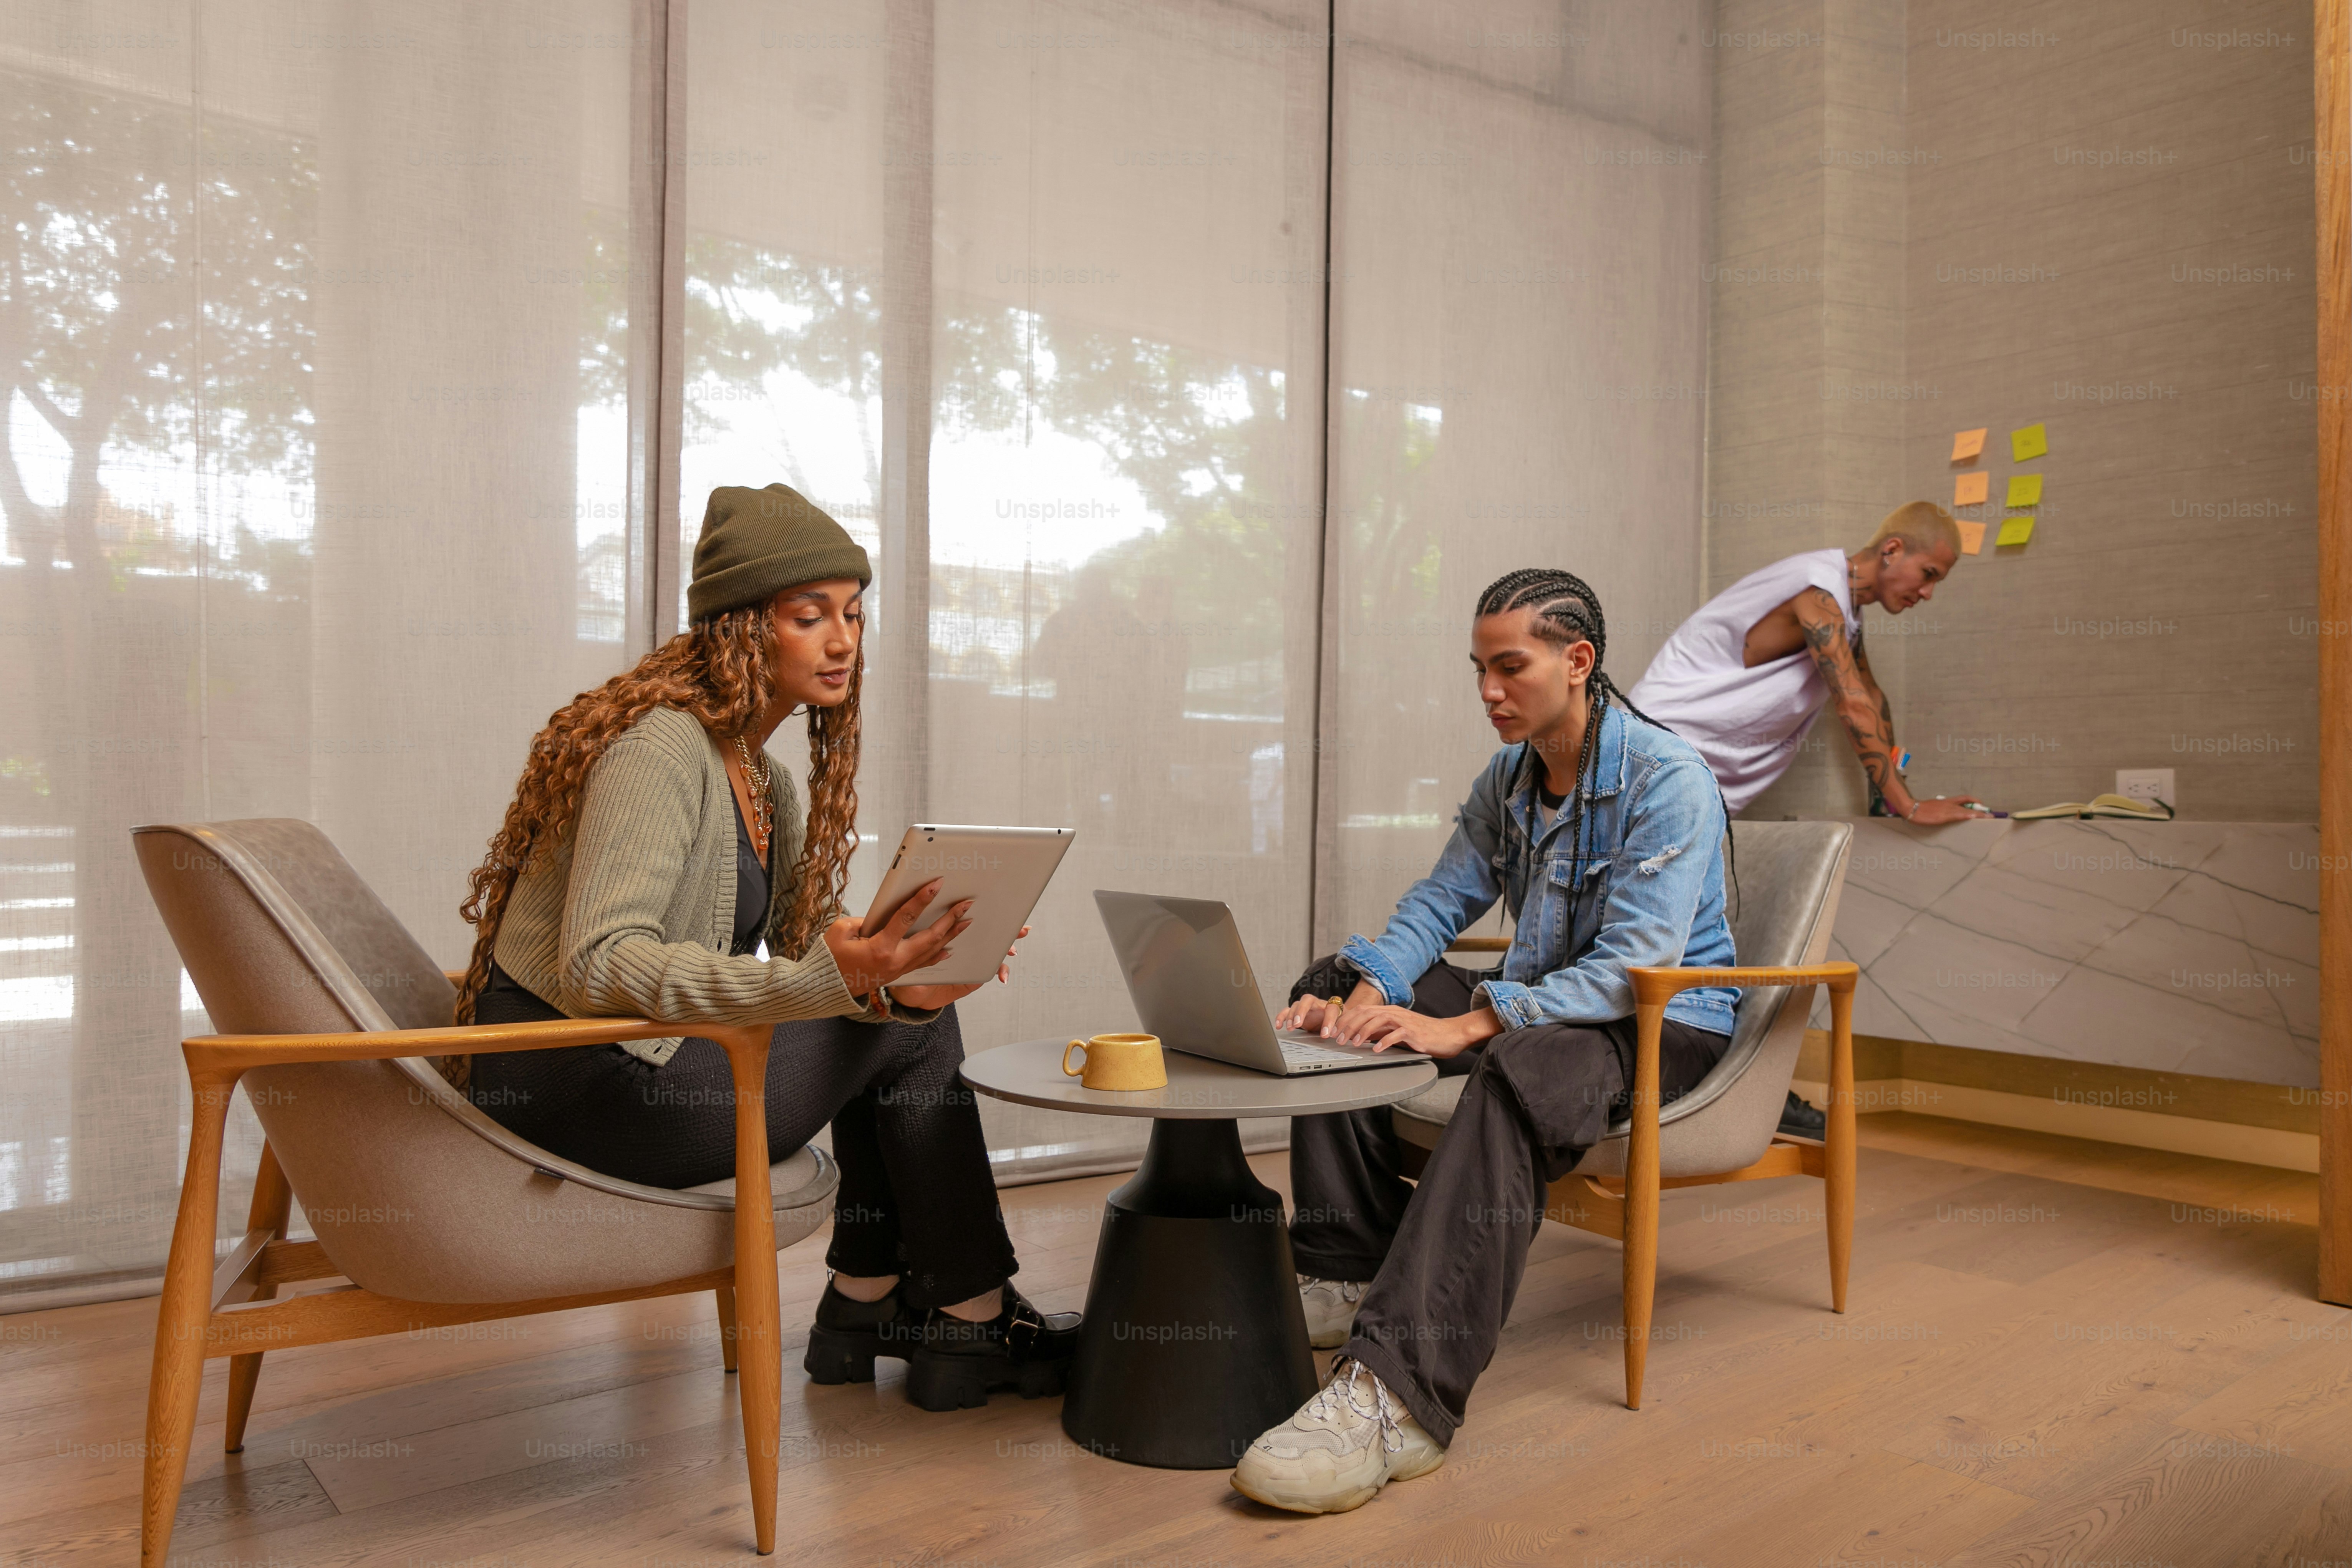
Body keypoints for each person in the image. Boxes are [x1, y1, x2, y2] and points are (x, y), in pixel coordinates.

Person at [452, 482, 1078, 1413]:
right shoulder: (660, 749)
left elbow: (804, 959)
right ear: (743, 627)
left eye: (853, 615)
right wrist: (851, 985)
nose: (841, 641)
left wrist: (903, 958)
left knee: (903, 1020)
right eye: (808, 615)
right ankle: (945, 1312)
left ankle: (876, 1301)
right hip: (574, 1084)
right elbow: (598, 962)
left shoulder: (764, 779)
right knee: (899, 1035)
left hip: (643, 1063)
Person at [1230, 568, 1735, 1515]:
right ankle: (1342, 1267)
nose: (1487, 692)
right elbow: (1437, 903)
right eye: (1478, 669)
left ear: (1576, 661)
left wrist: (1463, 1020)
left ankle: (1397, 1396)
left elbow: (1633, 967)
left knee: (1515, 1062)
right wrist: (1367, 991)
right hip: (1545, 998)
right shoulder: (1507, 779)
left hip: (1662, 1022)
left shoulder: (1669, 779)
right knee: (1333, 983)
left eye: (1510, 667)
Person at [1627, 500, 1979, 1137]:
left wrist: (1887, 802)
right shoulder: (1816, 596)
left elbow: (1871, 696)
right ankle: (1731, 1091)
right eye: (1929, 574)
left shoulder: (1846, 617)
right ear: (1893, 550)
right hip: (1652, 767)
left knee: (1689, 945)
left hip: (1688, 789)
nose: (1928, 592)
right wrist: (1906, 803)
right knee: (1685, 948)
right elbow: (1848, 699)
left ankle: (1720, 1088)